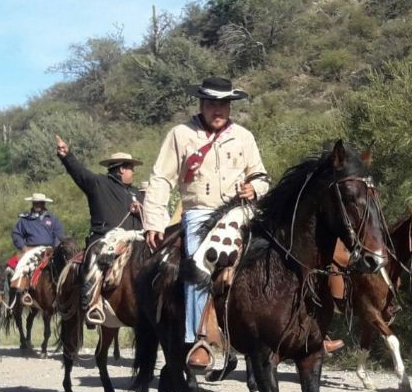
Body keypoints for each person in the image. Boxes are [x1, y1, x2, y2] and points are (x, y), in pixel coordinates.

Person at [142, 76, 270, 370]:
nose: (218, 109)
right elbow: (161, 178)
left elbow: (260, 174)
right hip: (200, 211)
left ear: (230, 106)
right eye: (212, 103)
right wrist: (154, 221)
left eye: (223, 104)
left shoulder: (244, 137)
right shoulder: (181, 134)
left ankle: (295, 327)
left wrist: (255, 188)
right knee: (199, 264)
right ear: (201, 104)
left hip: (240, 210)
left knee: (278, 251)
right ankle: (198, 339)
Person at [56, 135, 143, 248]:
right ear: (122, 169)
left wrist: (140, 211)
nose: (134, 172)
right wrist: (66, 156)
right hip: (103, 244)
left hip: (135, 246)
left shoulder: (136, 192)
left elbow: (150, 217)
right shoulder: (99, 184)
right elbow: (80, 173)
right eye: (131, 168)